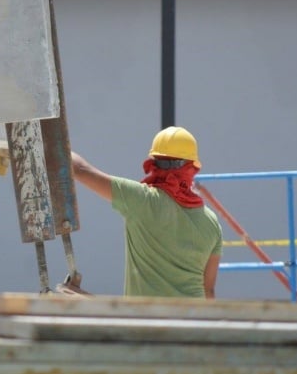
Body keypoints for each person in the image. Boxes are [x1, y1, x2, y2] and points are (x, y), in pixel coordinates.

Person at [70, 126, 222, 298]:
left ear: (153, 163)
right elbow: (208, 290)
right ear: (193, 167)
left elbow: (79, 169)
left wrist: (45, 138)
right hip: (191, 320)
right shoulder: (212, 222)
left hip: (147, 321)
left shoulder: (141, 200)